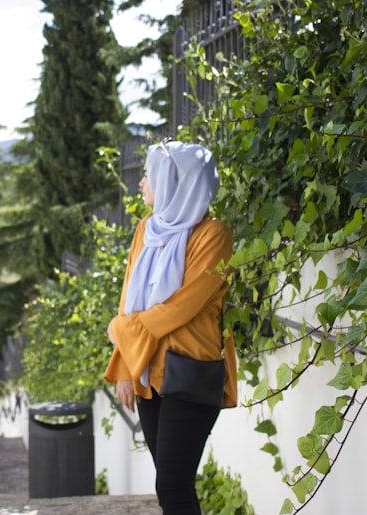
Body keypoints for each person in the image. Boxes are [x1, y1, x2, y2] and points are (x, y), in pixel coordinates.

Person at [105, 139, 238, 515]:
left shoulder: (213, 235)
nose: (142, 182)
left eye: (149, 175)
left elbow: (181, 308)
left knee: (173, 486)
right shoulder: (146, 228)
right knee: (169, 485)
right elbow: (129, 297)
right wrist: (127, 366)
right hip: (149, 372)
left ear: (173, 182)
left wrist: (121, 330)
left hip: (192, 369)